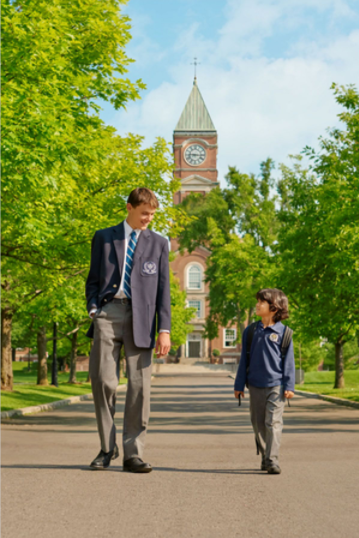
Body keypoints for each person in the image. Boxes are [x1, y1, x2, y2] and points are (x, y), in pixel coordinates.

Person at [86, 187, 171, 473]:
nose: (149, 218)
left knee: (140, 387)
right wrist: (94, 309)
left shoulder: (159, 243)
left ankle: (133, 454)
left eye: (152, 214)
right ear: (129, 208)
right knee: (103, 381)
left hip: (143, 319)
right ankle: (107, 449)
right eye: (144, 213)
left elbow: (163, 290)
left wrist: (165, 329)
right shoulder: (104, 237)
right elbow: (93, 279)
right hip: (108, 314)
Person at [234, 288, 295, 474]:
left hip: (276, 385)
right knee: (258, 423)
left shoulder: (285, 333)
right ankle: (265, 456)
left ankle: (272, 460)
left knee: (273, 422)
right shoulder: (251, 331)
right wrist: (239, 384)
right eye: (258, 301)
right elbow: (244, 359)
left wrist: (289, 385)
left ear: (274, 308)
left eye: (261, 302)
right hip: (254, 385)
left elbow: (288, 362)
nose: (257, 305)